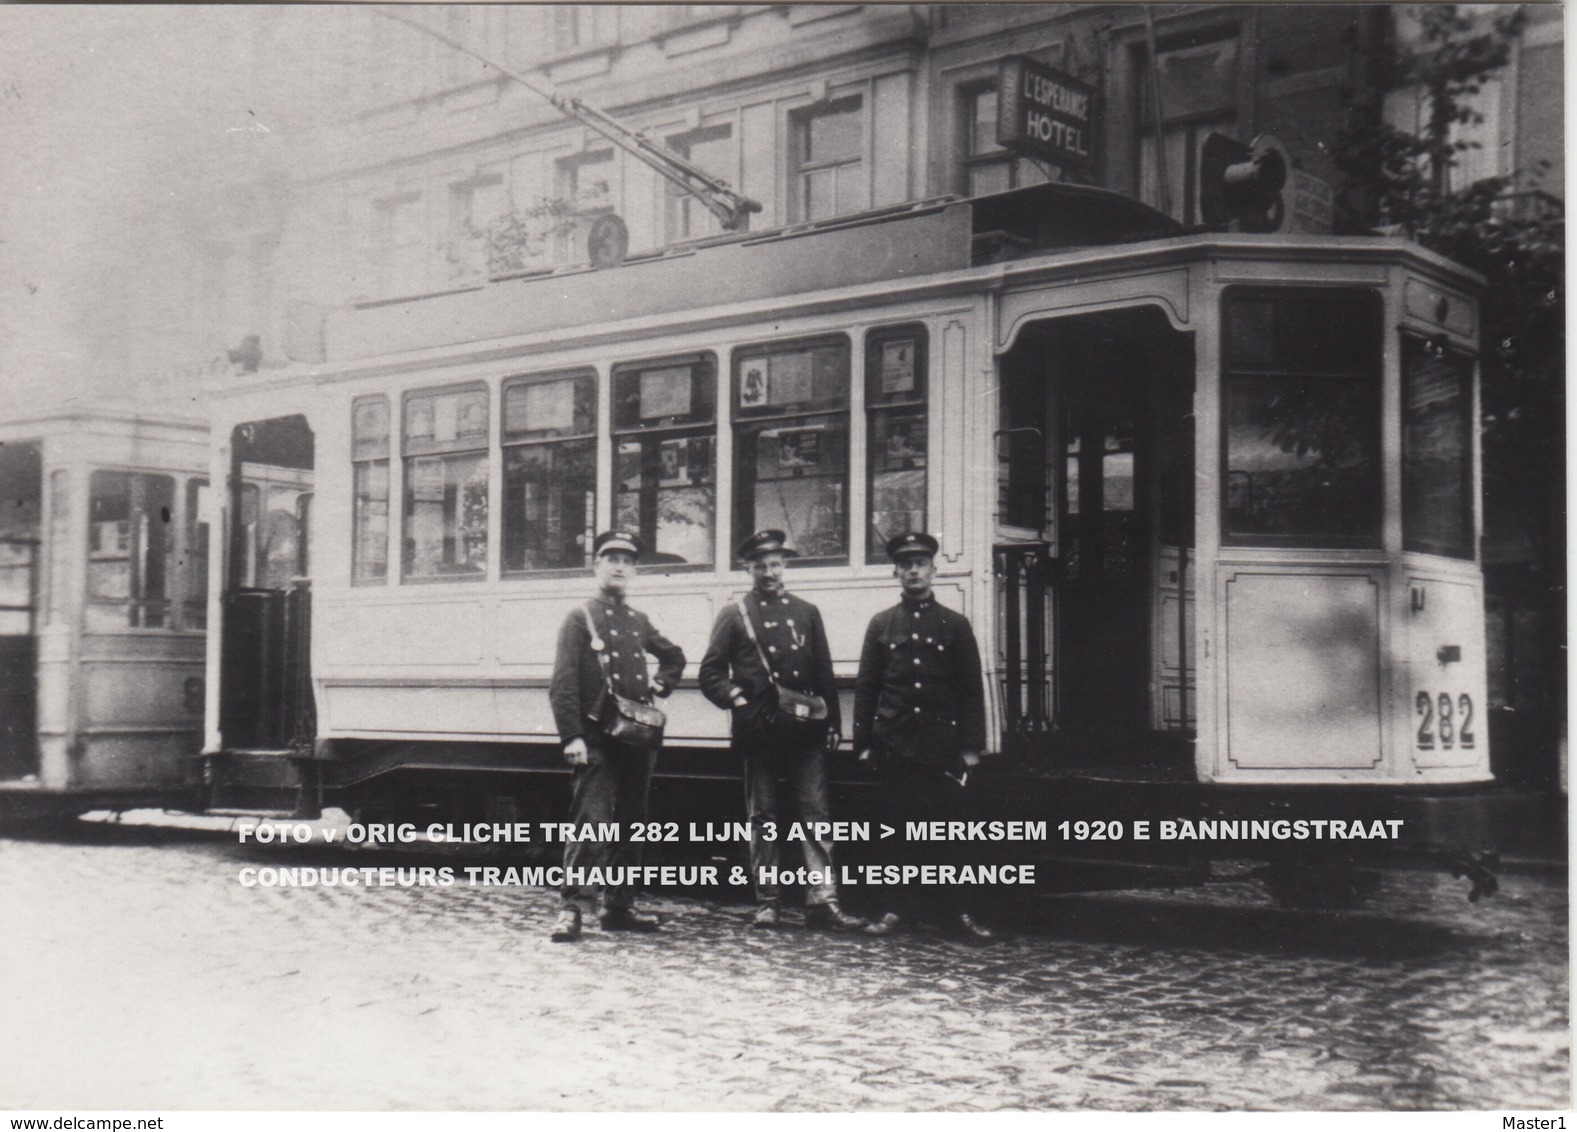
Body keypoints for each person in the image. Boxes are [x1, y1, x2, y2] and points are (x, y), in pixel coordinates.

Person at [698, 529, 865, 931]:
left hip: (805, 728)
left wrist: (833, 724)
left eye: (775, 564)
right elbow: (710, 672)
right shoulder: (735, 613)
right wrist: (737, 698)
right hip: (760, 729)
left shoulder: (807, 611)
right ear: (748, 568)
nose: (768, 572)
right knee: (764, 816)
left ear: (785, 565)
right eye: (760, 565)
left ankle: (822, 901)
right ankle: (768, 901)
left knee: (815, 814)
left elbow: (822, 670)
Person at [854, 531, 994, 942]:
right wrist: (863, 743)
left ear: (934, 570)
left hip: (942, 747)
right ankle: (895, 910)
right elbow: (868, 686)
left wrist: (970, 746)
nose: (914, 571)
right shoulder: (882, 623)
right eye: (906, 565)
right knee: (895, 832)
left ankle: (957, 913)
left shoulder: (954, 623)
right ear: (896, 572)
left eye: (921, 564)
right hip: (896, 745)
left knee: (949, 833)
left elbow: (971, 688)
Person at [547, 529, 686, 942]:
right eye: (612, 559)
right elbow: (563, 682)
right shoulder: (580, 617)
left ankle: (619, 906)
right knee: (591, 822)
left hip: (637, 740)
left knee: (631, 824)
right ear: (597, 567)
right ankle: (571, 908)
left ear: (635, 570)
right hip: (595, 738)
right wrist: (572, 736)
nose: (620, 566)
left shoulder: (637, 620)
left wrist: (662, 684)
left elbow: (674, 656)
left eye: (627, 560)